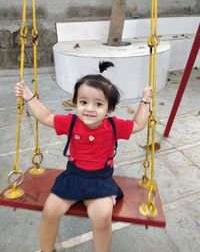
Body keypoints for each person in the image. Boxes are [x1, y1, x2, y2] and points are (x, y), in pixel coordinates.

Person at [15, 61, 152, 252]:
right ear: (75, 103)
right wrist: (28, 97)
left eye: (98, 104)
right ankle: (47, 250)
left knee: (103, 218)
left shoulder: (113, 126)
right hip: (72, 178)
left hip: (100, 181)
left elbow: (138, 124)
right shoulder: (71, 123)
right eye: (83, 102)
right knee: (50, 211)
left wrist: (145, 101)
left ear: (109, 110)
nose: (89, 109)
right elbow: (46, 117)